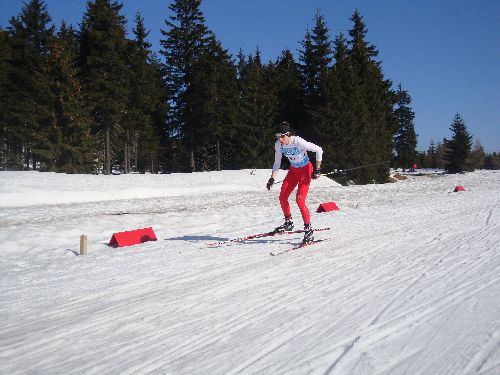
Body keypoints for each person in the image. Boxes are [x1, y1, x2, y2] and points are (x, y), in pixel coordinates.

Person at [266, 121, 323, 244]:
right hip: (293, 171)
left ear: (288, 134)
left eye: (282, 136)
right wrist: (272, 178)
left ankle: (308, 230)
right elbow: (277, 163)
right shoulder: (279, 145)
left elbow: (319, 150)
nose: (280, 139)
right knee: (282, 197)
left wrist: (317, 169)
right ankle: (288, 222)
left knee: (299, 200)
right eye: (277, 136)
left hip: (306, 171)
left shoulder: (298, 141)